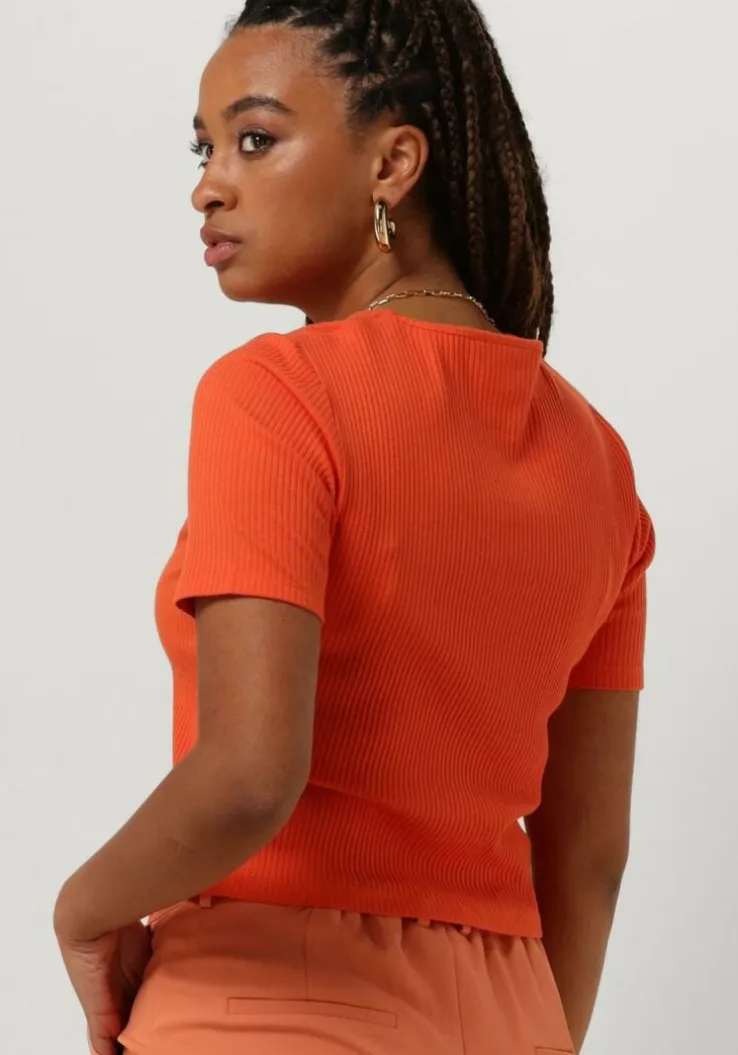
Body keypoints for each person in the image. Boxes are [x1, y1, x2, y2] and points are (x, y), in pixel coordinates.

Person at [53, 1, 655, 1053]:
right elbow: (589, 857)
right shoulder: (600, 461)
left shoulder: (279, 394)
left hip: (270, 999)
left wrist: (84, 908)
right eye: (204, 149)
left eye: (255, 139)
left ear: (393, 164)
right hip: (515, 1013)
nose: (208, 185)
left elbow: (249, 777)